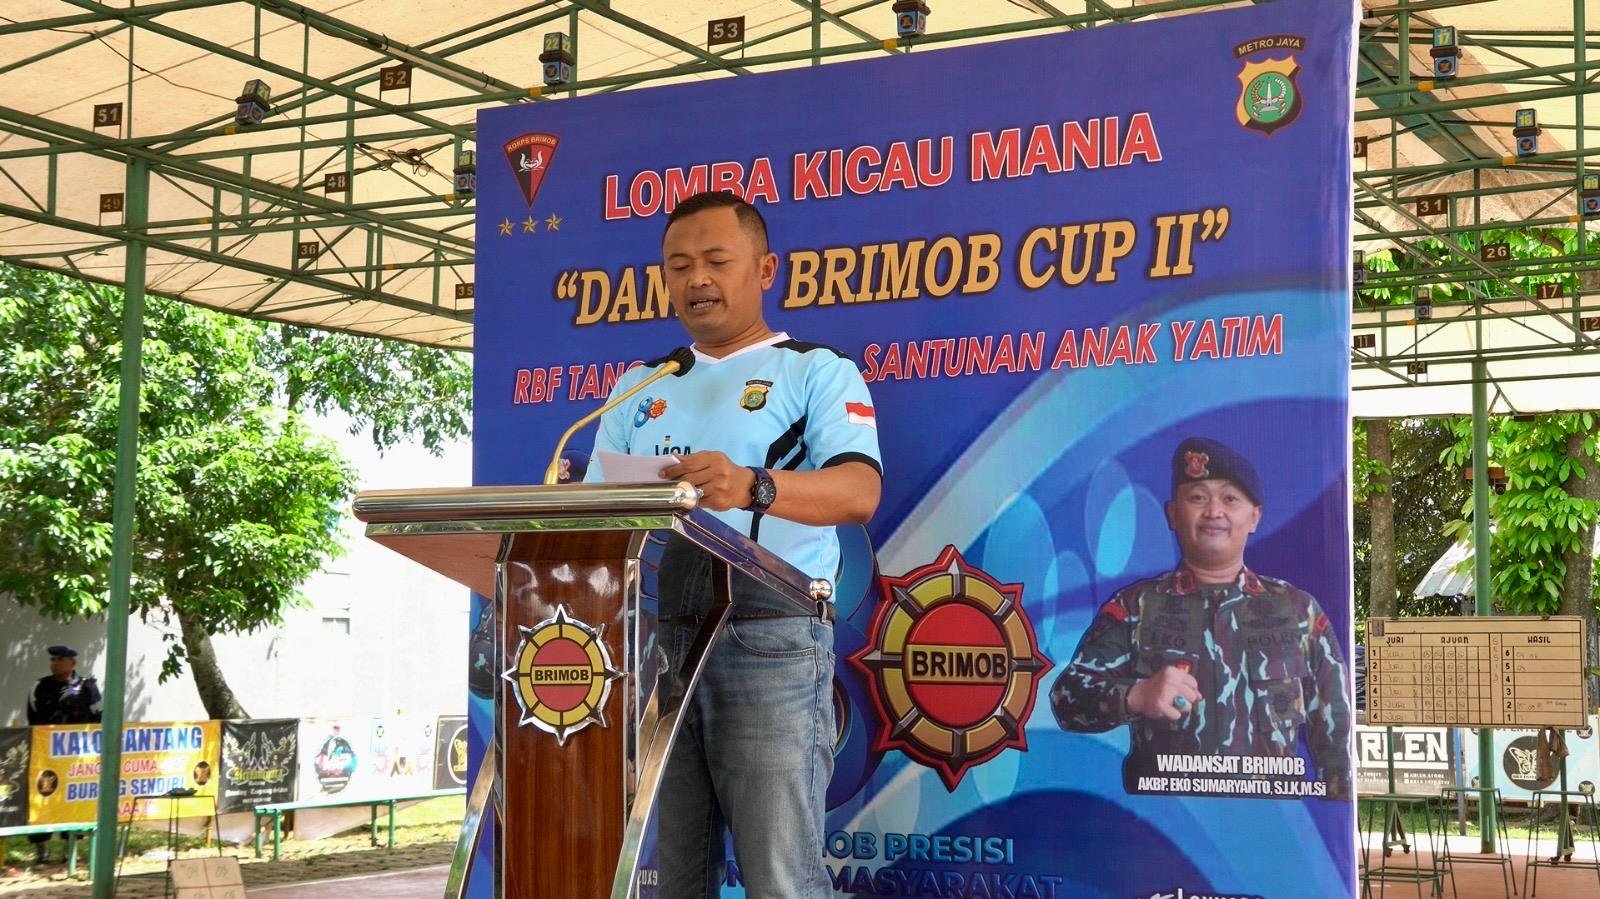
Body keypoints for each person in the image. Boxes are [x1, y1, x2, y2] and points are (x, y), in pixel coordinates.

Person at [586, 190, 881, 897]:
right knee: (678, 876)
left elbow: (859, 490)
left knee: (780, 877)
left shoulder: (815, 370)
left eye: (717, 261)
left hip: (770, 634)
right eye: (679, 265)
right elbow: (597, 517)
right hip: (664, 642)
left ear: (766, 269)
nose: (697, 279)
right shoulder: (640, 385)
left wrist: (752, 486)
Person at [1051, 437, 1352, 799]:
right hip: (1170, 819)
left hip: (1269, 821)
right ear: (1173, 514)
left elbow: (1337, 737)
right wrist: (1136, 695)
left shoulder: (1298, 611)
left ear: (1254, 517)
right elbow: (1066, 699)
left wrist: (1336, 814)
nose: (1214, 511)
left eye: (1230, 499)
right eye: (1197, 497)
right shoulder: (1135, 607)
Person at [25, 644, 101, 864]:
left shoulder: (87, 687)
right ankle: (41, 849)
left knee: (73, 799)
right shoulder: (40, 686)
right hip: (46, 755)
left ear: (72, 662)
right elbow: (33, 718)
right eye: (53, 659)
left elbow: (98, 718)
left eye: (60, 659)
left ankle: (71, 849)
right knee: (42, 796)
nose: (55, 663)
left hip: (76, 757)